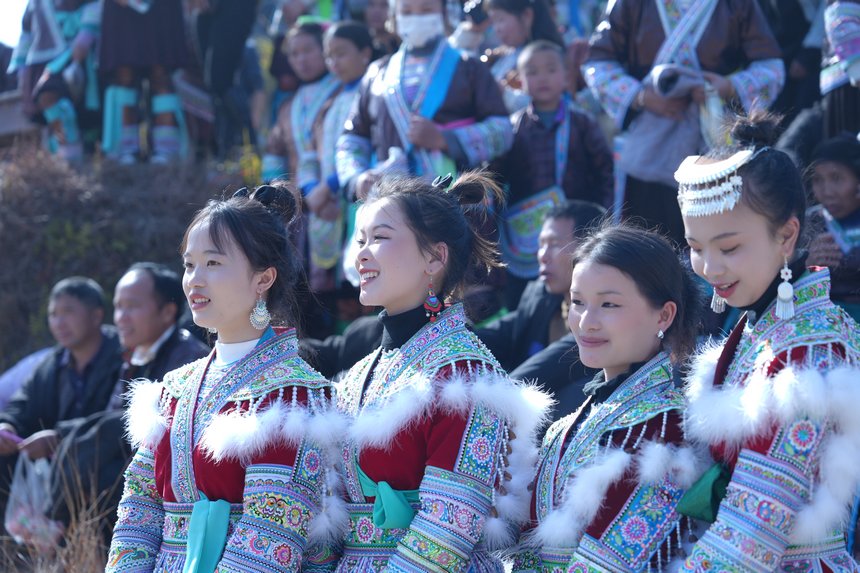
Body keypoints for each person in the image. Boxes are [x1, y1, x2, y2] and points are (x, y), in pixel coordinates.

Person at [106, 184, 343, 572]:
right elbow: (139, 506)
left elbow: (269, 538)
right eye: (189, 264)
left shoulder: (294, 395)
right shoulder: (174, 387)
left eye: (213, 264)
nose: (195, 280)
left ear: (263, 279)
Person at [331, 172, 551, 571]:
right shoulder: (363, 371)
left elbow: (451, 525)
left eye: (379, 238)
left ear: (434, 257)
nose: (361, 254)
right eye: (360, 239)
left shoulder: (465, 374)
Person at [676, 113, 860, 570]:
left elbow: (755, 525)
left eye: (729, 247)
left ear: (787, 235)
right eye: (696, 248)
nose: (710, 268)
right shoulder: (765, 327)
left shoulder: (808, 353)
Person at [509, 224, 704, 572]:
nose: (586, 321)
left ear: (664, 314)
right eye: (578, 302)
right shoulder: (568, 423)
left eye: (609, 304)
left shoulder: (666, 427)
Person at [583, 0, 784, 245]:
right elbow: (597, 62)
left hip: (714, 147)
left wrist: (727, 87)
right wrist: (642, 97)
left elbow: (771, 67)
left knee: (712, 243)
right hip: (649, 152)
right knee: (645, 247)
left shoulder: (737, 4)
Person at [50, 263, 210, 530]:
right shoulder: (133, 355)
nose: (121, 318)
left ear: (167, 311)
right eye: (118, 306)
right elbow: (116, 413)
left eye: (132, 306)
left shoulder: (188, 360)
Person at [336, 0, 513, 199]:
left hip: (458, 206)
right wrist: (356, 178)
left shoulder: (469, 67)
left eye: (427, 9)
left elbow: (503, 130)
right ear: (395, 15)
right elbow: (352, 139)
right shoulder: (377, 73)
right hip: (392, 204)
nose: (416, 17)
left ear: (444, 13)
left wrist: (446, 140)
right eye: (407, 11)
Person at [496, 40, 613, 303]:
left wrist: (603, 218)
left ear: (566, 76)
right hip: (525, 231)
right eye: (532, 72)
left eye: (550, 69)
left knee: (576, 287)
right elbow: (497, 179)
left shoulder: (583, 122)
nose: (542, 78)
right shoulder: (513, 128)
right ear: (520, 81)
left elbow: (606, 173)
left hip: (574, 228)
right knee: (527, 293)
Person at [0, 277, 123, 508]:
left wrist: (60, 440)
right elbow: (22, 404)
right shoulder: (50, 365)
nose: (58, 322)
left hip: (97, 468)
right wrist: (8, 425)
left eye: (68, 312)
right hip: (52, 471)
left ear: (96, 315)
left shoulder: (123, 357)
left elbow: (114, 423)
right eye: (53, 314)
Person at [477, 200, 603, 374]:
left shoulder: (600, 322)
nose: (542, 256)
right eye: (541, 244)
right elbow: (486, 339)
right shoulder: (539, 300)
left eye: (554, 244)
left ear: (589, 248)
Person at [304, 21, 374, 294]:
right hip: (328, 206)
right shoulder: (331, 100)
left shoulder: (372, 90)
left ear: (365, 52)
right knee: (334, 295)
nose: (334, 62)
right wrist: (314, 192)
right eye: (329, 55)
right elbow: (313, 151)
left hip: (359, 196)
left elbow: (370, 147)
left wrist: (331, 186)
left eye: (341, 53)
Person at [7, 0, 101, 161]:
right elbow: (26, 33)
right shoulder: (35, 4)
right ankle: (66, 156)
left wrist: (87, 32)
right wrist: (21, 67)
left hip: (75, 57)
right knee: (50, 105)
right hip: (39, 62)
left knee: (75, 109)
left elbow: (95, 8)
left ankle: (77, 156)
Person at [99, 0, 189, 164]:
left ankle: (166, 149)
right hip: (121, 8)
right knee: (123, 72)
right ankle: (125, 148)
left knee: (161, 70)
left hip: (162, 7)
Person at [264, 22, 341, 185]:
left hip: (339, 191)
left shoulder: (343, 91)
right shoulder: (287, 107)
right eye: (294, 54)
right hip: (301, 203)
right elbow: (274, 152)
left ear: (324, 49)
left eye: (308, 50)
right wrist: (274, 192)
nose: (301, 59)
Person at [806, 135, 860, 321]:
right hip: (825, 322)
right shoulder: (807, 224)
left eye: (837, 178)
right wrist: (805, 265)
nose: (827, 191)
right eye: (818, 180)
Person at [476, 0, 565, 112]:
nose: (497, 29)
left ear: (527, 15)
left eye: (500, 20)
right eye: (493, 22)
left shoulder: (548, 58)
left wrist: (503, 93)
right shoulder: (502, 55)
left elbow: (547, 106)